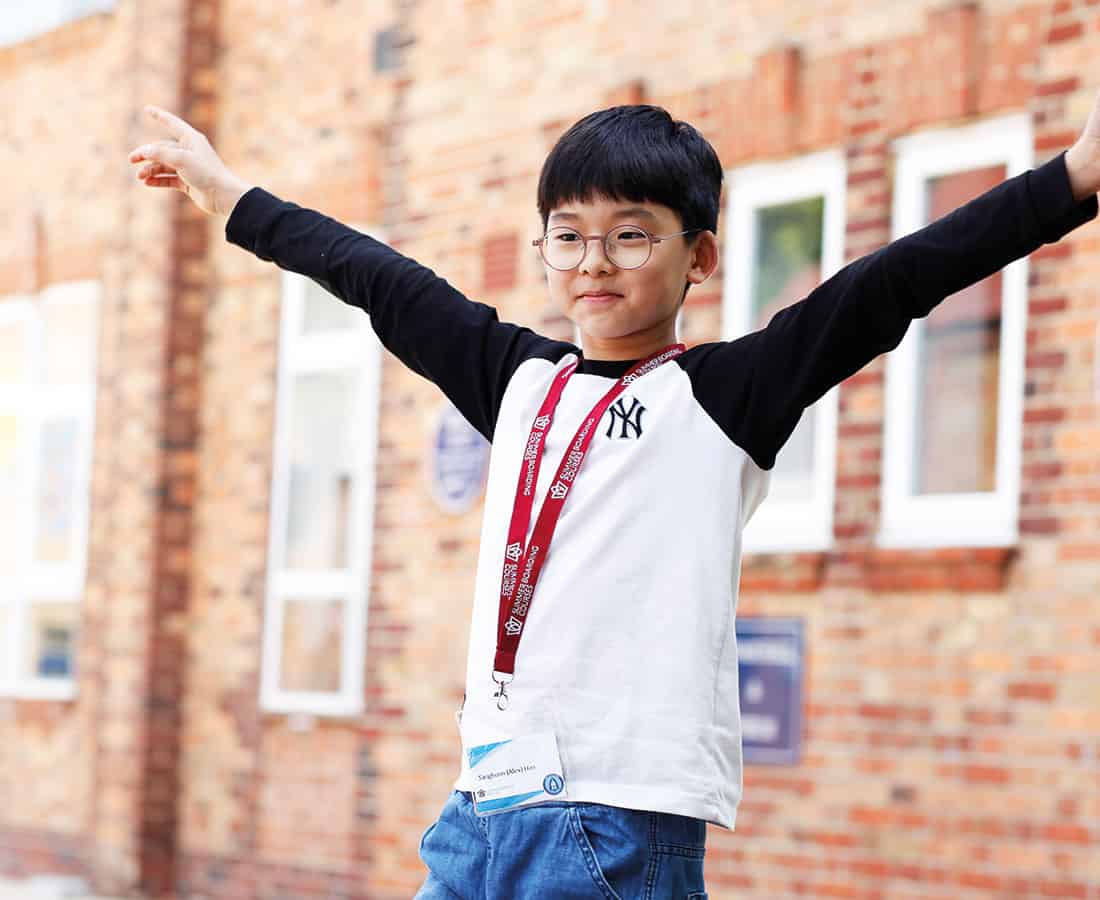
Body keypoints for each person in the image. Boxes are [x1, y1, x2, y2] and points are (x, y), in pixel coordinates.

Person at [129, 95, 1100, 899]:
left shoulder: (721, 396)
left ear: (699, 258)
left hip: (617, 820)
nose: (593, 260)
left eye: (630, 236)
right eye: (569, 236)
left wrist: (1069, 180)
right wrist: (225, 193)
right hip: (482, 807)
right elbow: (374, 278)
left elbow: (892, 284)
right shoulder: (514, 379)